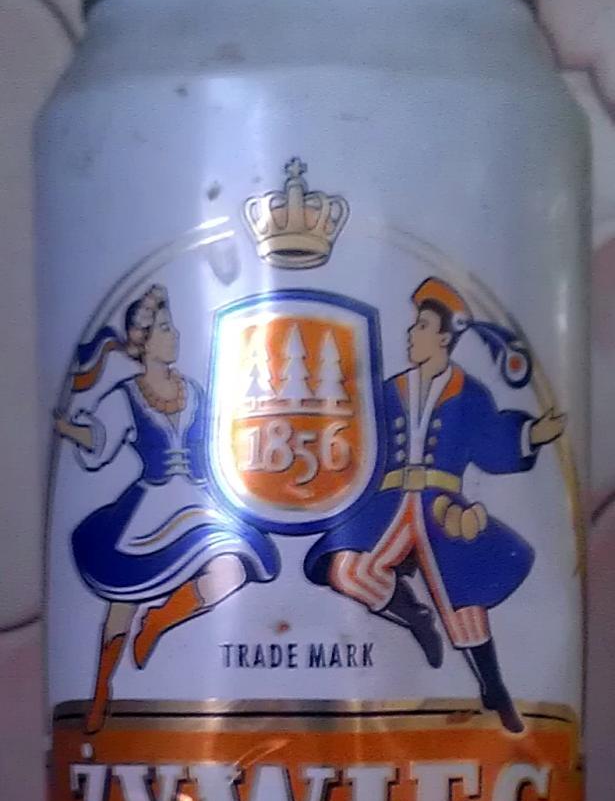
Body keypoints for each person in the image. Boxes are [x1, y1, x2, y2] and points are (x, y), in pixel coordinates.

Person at [303, 277, 565, 733]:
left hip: (441, 507)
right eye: (414, 325)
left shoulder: (469, 392)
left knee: (463, 599)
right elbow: (360, 442)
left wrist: (531, 434)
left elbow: (492, 442)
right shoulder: (390, 390)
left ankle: (493, 688)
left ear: (444, 337)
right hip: (388, 504)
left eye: (421, 326)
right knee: (345, 568)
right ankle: (413, 615)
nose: (411, 333)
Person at [56, 284, 279, 733]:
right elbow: (100, 442)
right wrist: (66, 427)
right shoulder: (126, 395)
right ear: (143, 341)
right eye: (163, 328)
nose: (174, 335)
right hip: (151, 504)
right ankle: (100, 692)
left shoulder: (193, 390)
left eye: (172, 326)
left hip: (200, 501)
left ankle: (161, 618)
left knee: (234, 568)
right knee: (123, 597)